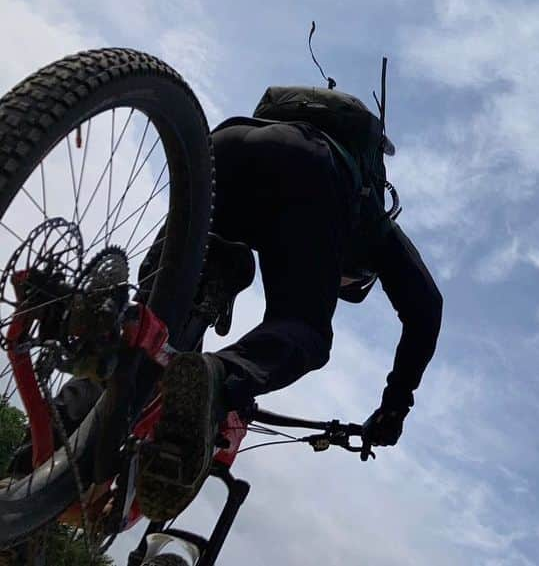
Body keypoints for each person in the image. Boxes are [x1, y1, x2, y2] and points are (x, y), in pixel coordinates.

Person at [135, 89, 444, 522]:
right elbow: (427, 309)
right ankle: (222, 375)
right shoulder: (370, 218)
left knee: (158, 319)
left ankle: (78, 404)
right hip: (309, 166)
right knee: (306, 331)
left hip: (223, 145)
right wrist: (395, 406)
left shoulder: (284, 143)